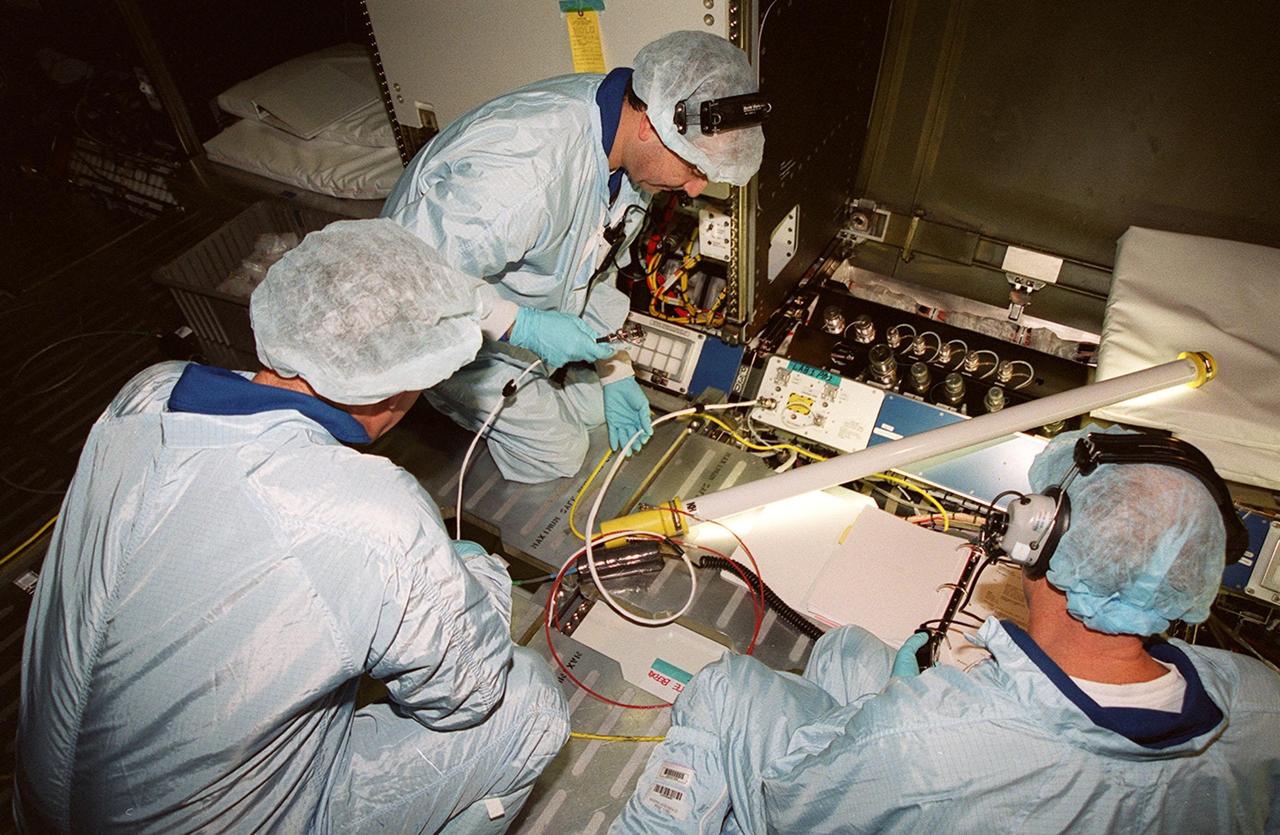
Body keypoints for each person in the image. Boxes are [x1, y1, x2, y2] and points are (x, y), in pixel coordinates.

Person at [15, 219, 569, 834]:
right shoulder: (375, 515)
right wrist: (473, 571)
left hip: (43, 805)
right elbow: (468, 694)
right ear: (399, 386)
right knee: (529, 704)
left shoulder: (148, 393)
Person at [612, 427, 1280, 833]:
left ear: (1041, 535)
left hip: (898, 778)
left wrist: (897, 720)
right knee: (846, 651)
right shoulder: (1259, 698)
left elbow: (798, 802)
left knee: (725, 689)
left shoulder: (925, 738)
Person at [382, 30, 764, 483]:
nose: (696, 188)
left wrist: (615, 368)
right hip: (452, 324)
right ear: (651, 126)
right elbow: (403, 279)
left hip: (536, 315)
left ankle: (540, 391)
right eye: (695, 168)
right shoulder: (525, 171)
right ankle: (448, 399)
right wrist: (517, 324)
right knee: (559, 456)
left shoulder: (622, 147)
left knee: (595, 408)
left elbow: (598, 269)